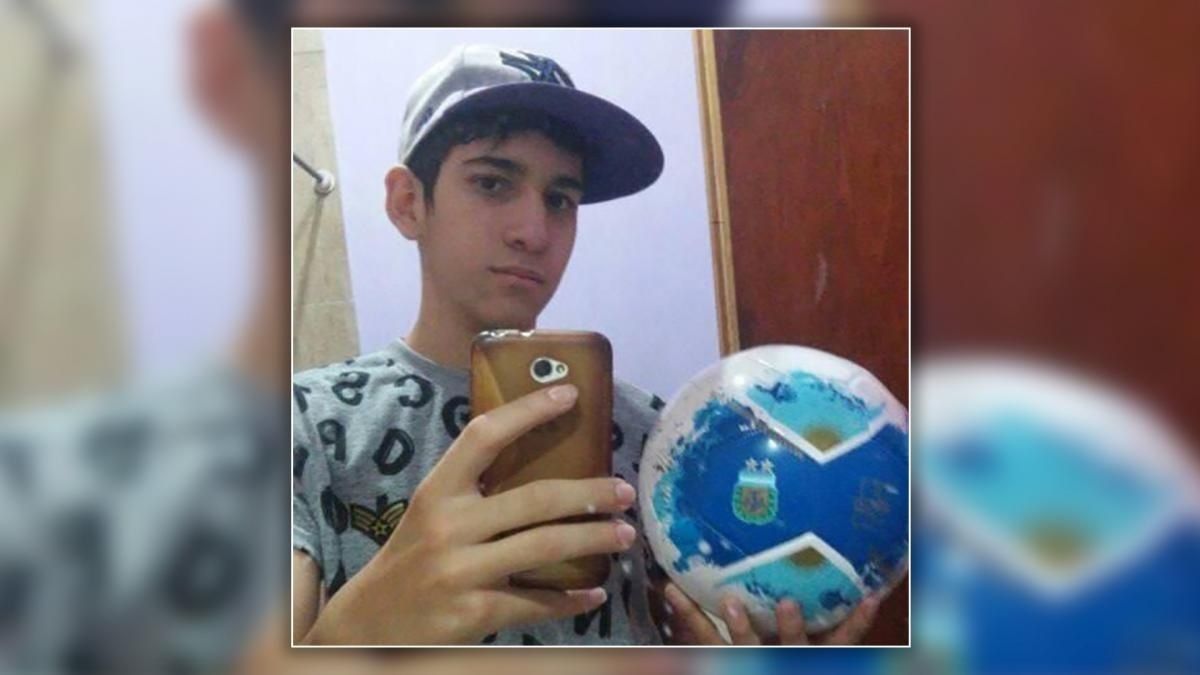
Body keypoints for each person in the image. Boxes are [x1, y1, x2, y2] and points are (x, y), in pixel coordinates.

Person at [290, 43, 887, 646]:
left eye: (560, 199)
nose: (534, 232)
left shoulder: (668, 437)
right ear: (407, 203)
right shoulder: (304, 424)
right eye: (492, 183)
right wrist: (357, 628)